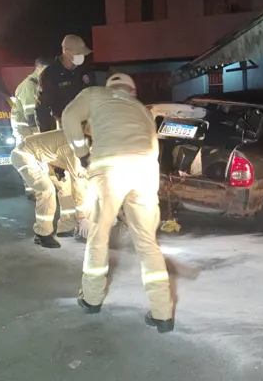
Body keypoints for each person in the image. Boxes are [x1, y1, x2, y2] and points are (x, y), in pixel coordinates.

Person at [62, 73, 175, 334]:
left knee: (99, 235)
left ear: (109, 87)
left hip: (109, 169)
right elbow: (154, 148)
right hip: (146, 171)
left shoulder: (94, 94)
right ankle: (163, 314)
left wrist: (82, 153)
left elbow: (69, 117)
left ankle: (91, 299)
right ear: (132, 92)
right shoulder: (142, 110)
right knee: (147, 242)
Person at [10, 130, 90, 249]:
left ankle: (66, 227)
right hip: (24, 155)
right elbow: (78, 182)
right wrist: (83, 217)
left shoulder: (88, 142)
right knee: (46, 190)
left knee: (66, 187)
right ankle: (42, 234)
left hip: (46, 160)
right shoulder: (77, 148)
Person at [35, 34, 96, 132]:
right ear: (67, 52)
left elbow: (95, 96)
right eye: (79, 53)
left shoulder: (85, 71)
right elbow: (42, 107)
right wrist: (45, 132)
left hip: (88, 124)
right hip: (64, 126)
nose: (83, 56)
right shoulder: (50, 75)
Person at [11, 57, 51, 143]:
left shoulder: (40, 83)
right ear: (37, 69)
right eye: (45, 70)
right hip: (25, 128)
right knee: (26, 154)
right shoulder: (29, 85)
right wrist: (42, 133)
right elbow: (31, 115)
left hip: (31, 127)